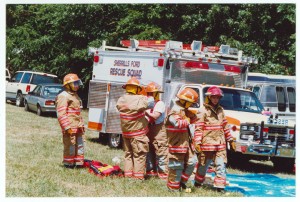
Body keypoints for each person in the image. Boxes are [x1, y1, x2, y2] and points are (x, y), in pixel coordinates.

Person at [193, 86, 236, 192]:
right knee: (203, 166)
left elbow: (225, 126)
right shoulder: (203, 111)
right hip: (207, 144)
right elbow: (199, 128)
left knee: (221, 165)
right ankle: (198, 183)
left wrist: (230, 140)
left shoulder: (221, 110)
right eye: (213, 97)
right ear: (209, 97)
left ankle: (219, 188)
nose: (215, 99)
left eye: (217, 97)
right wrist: (197, 142)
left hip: (220, 144)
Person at [116, 77, 154, 180]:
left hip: (126, 134)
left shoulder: (121, 99)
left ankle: (128, 175)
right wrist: (149, 93)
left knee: (128, 155)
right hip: (138, 135)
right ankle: (138, 178)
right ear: (137, 89)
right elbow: (151, 103)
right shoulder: (139, 99)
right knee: (139, 155)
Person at [165, 88, 199, 192]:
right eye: (190, 103)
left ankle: (181, 183)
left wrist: (192, 116)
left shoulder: (184, 111)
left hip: (185, 144)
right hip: (176, 144)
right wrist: (187, 120)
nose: (191, 105)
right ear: (185, 101)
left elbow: (194, 121)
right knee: (176, 167)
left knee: (192, 162)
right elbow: (177, 123)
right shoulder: (175, 110)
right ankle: (173, 189)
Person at [56, 73, 85, 168]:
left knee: (79, 145)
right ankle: (69, 164)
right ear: (68, 85)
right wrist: (66, 127)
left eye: (77, 83)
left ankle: (78, 163)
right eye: (74, 83)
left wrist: (81, 124)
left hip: (78, 126)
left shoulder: (75, 95)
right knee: (70, 145)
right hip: (70, 127)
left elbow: (77, 113)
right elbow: (61, 114)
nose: (77, 85)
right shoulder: (63, 96)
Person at [144, 82, 168, 180]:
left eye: (151, 93)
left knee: (161, 151)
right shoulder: (146, 104)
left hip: (159, 130)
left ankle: (163, 174)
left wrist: (145, 112)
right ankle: (151, 172)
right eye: (148, 93)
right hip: (149, 129)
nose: (149, 95)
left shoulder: (160, 104)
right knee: (149, 150)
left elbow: (155, 116)